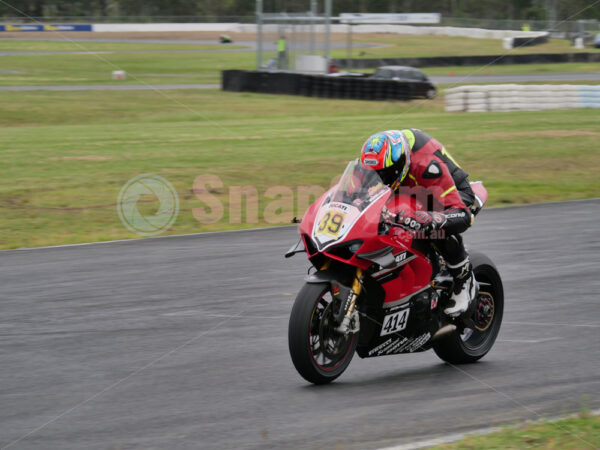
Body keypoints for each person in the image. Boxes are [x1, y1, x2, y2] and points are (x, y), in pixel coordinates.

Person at [360, 129, 477, 316]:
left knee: (432, 227)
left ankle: (464, 281)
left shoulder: (428, 167)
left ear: (398, 166)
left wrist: (431, 220)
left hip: (448, 191)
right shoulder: (375, 162)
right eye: (374, 173)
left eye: (384, 174)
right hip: (410, 186)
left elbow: (463, 215)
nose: (379, 179)